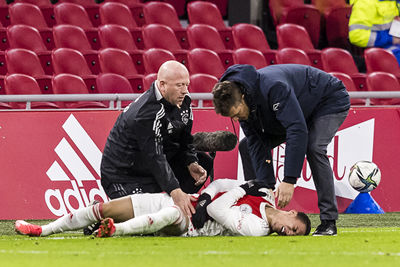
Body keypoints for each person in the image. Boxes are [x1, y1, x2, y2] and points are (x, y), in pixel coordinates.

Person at [212, 64, 350, 236]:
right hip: (297, 108)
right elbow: (256, 142)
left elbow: (297, 130)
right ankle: (257, 201)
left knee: (314, 147)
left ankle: (328, 221)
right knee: (247, 146)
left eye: (237, 113)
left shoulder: (274, 88)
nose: (236, 118)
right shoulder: (241, 102)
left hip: (327, 99)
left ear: (243, 96)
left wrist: (289, 180)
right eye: (232, 117)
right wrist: (266, 186)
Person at [100, 60, 213, 219]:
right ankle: (102, 213)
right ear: (162, 85)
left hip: (148, 169)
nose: (185, 91)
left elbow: (186, 142)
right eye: (179, 85)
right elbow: (154, 156)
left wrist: (191, 162)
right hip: (124, 176)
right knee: (144, 222)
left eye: (187, 85)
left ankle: (178, 211)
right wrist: (175, 191)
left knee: (203, 162)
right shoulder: (146, 112)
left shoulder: (184, 102)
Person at [15, 179, 311, 237]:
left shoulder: (258, 229)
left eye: (292, 236)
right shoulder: (264, 194)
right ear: (291, 213)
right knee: (103, 207)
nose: (287, 233)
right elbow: (219, 183)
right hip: (180, 200)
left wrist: (238, 190)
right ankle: (43, 229)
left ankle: (113, 232)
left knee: (171, 215)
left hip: (191, 224)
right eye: (294, 228)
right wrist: (205, 196)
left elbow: (221, 208)